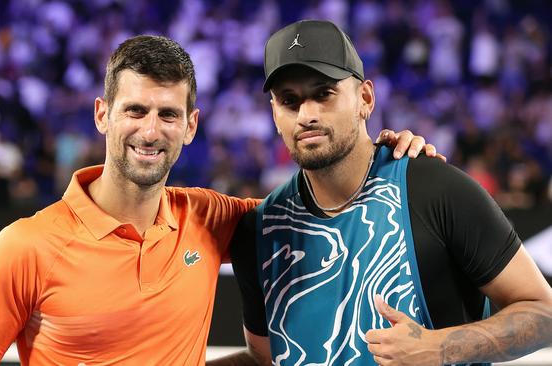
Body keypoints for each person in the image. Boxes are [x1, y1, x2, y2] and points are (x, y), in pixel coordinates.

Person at [0, 35, 436, 366]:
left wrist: (383, 156)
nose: (150, 131)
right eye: (135, 110)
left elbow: (321, 201)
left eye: (168, 115)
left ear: (191, 126)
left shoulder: (209, 216)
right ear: (102, 115)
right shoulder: (25, 245)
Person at [230, 20, 552, 366]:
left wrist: (440, 347)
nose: (307, 114)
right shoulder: (260, 229)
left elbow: (544, 313)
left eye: (324, 93)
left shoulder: (436, 190)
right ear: (275, 115)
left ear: (365, 98)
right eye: (289, 101)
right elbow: (262, 360)